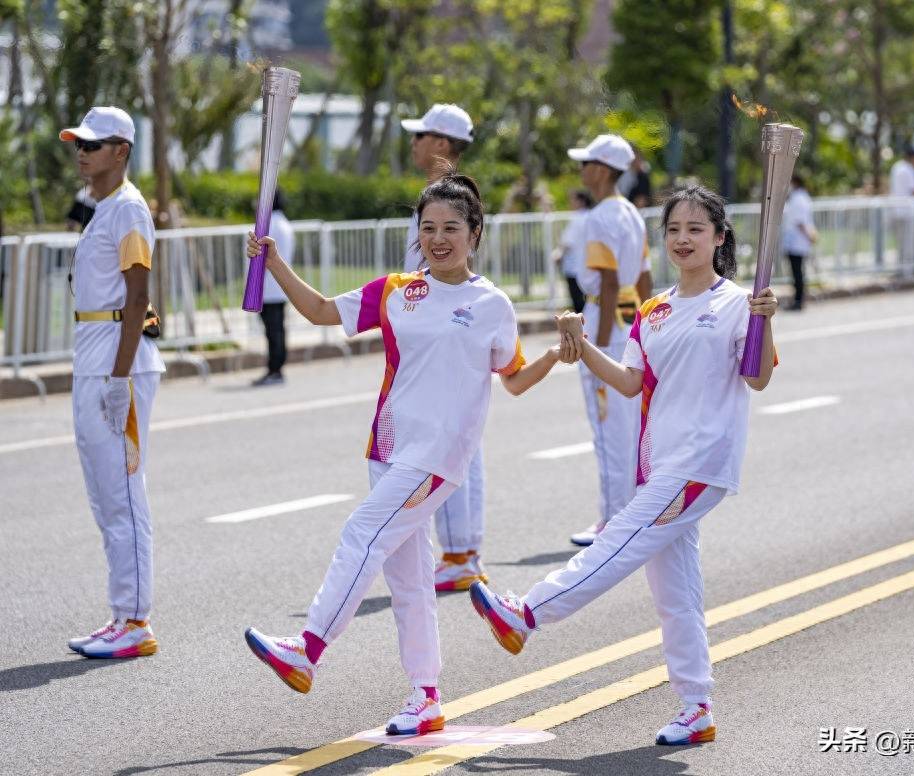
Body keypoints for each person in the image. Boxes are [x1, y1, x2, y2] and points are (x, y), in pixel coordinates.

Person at [243, 170, 569, 735]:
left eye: (451, 227)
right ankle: (426, 695)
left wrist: (558, 356)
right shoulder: (399, 291)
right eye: (428, 228)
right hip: (388, 447)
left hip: (439, 457)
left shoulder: (490, 303)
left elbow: (512, 379)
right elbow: (322, 311)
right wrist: (273, 263)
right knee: (410, 581)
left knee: (360, 534)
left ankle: (309, 647)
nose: (438, 238)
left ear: (475, 232)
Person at [469, 184, 779, 747]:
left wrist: (764, 321)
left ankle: (528, 612)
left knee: (615, 541)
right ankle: (696, 706)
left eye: (697, 229)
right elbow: (634, 383)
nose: (683, 240)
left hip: (699, 462)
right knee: (676, 593)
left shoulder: (737, 303)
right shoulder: (655, 310)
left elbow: (757, 377)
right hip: (662, 463)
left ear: (720, 237)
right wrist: (582, 346)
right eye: (675, 230)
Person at [60, 107, 165, 659]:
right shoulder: (104, 210)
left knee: (122, 495)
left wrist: (120, 378)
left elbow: (138, 297)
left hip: (115, 362)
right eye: (79, 142)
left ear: (120, 150)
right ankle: (122, 612)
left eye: (94, 144)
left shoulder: (127, 210)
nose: (83, 152)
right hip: (94, 355)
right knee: (107, 496)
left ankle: (135, 620)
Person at [401, 104, 491, 592]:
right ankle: (463, 550)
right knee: (461, 445)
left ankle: (460, 553)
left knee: (451, 445)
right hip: (445, 336)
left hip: (445, 338)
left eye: (419, 136)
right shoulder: (450, 198)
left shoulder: (448, 202)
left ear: (439, 143)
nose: (412, 144)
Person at [565, 134, 653, 547]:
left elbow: (608, 277)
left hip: (606, 320)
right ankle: (630, 513)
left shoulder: (600, 217)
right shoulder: (633, 215)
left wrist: (592, 349)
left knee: (608, 432)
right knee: (629, 428)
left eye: (586, 164)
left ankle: (612, 521)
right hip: (631, 320)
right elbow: (646, 277)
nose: (581, 171)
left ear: (601, 169)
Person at [253, 188, 294, 386]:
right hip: (279, 288)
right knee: (277, 330)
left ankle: (275, 369)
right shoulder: (283, 223)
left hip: (268, 288)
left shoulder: (269, 225)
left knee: (273, 331)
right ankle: (276, 367)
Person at [550, 189, 593, 313]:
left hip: (574, 267)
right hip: (589, 266)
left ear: (581, 201)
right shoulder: (591, 216)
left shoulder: (577, 218)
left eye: (573, 200)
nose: (570, 203)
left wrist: (558, 255)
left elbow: (566, 242)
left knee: (579, 305)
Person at [888, 145, 914, 272]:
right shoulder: (907, 169)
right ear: (913, 158)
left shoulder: (897, 166)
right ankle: (907, 272)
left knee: (902, 244)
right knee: (908, 244)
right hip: (907, 212)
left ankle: (902, 270)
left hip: (898, 211)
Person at [780, 175, 817, 310]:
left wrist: (810, 236)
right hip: (796, 241)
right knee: (798, 273)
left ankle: (798, 301)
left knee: (797, 273)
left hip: (797, 242)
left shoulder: (798, 199)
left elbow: (800, 222)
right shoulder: (801, 197)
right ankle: (798, 299)